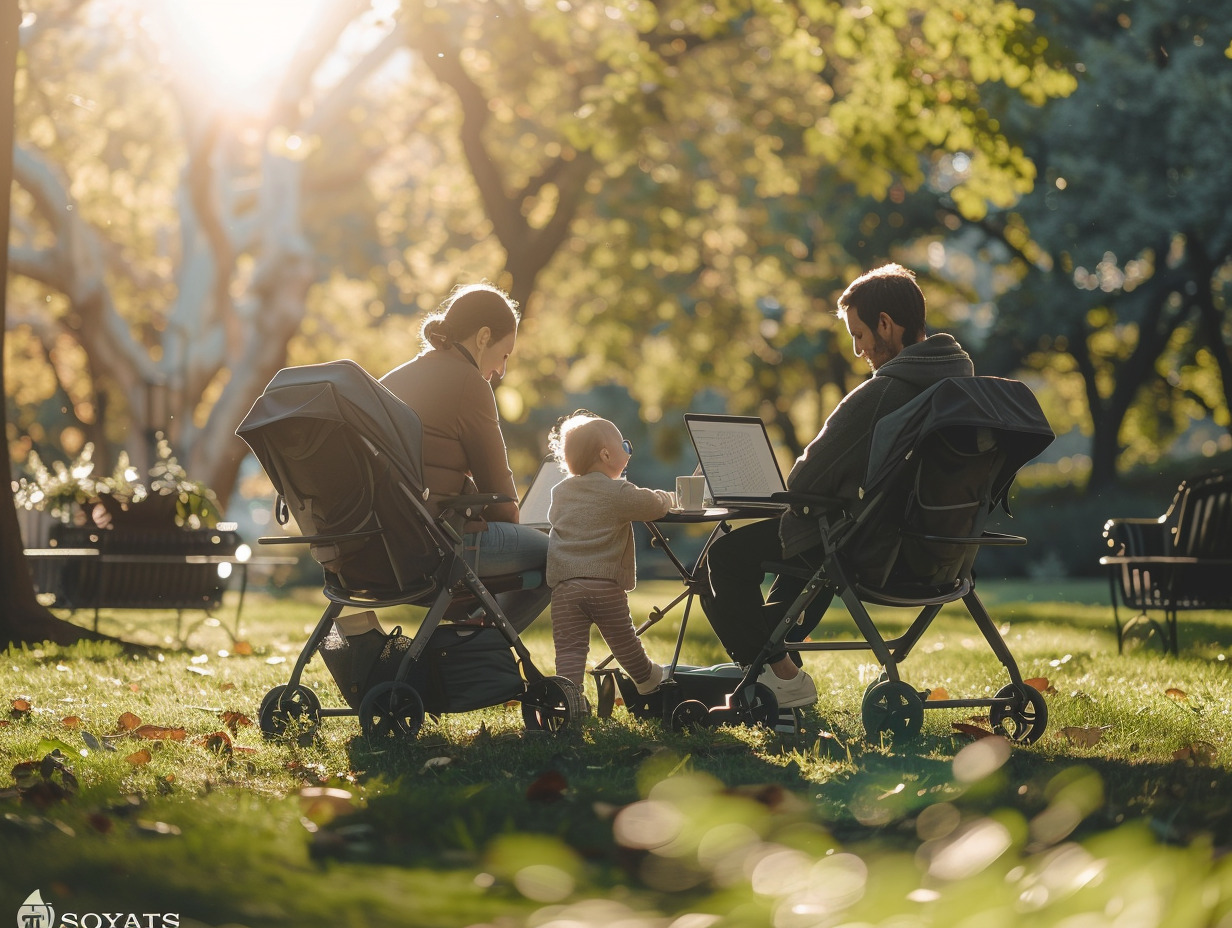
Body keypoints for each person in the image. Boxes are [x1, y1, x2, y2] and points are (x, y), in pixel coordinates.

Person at [701, 263, 975, 708]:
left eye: (860, 334)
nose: (857, 349)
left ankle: (783, 677)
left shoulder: (885, 392)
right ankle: (772, 666)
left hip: (873, 552)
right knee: (804, 555)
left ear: (886, 324)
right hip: (942, 555)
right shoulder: (962, 388)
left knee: (725, 557)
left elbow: (806, 478)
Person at [380, 283, 549, 632]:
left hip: (381, 547)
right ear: (484, 336)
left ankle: (461, 645)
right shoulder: (469, 383)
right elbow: (503, 502)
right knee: (560, 556)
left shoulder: (390, 381)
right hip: (436, 548)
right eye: (504, 355)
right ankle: (473, 651)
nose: (502, 370)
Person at [545, 411, 675, 693]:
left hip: (565, 588)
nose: (629, 452)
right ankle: (648, 679)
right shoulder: (617, 492)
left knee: (569, 650)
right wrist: (669, 497)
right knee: (625, 643)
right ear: (606, 455)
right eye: (625, 446)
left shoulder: (560, 492)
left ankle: (568, 700)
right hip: (603, 587)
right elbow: (651, 505)